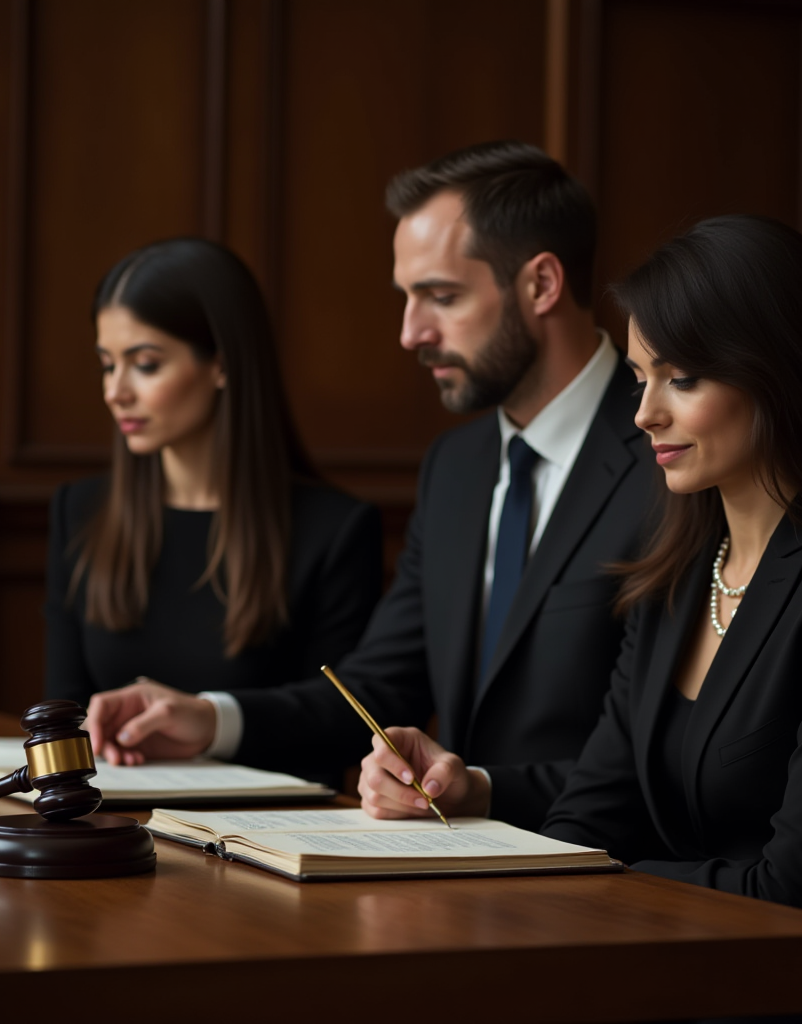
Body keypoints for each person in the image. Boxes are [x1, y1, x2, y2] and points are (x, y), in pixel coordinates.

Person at [84, 143, 657, 828]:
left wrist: (479, 789)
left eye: (441, 297)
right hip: (457, 868)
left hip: (613, 877)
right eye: (408, 297)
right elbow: (379, 688)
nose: (411, 333)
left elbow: (661, 753)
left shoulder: (671, 456)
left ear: (541, 285)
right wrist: (210, 719)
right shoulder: (456, 466)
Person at [532, 215, 802, 1016]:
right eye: (640, 378)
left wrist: (602, 885)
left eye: (681, 379)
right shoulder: (677, 572)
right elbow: (589, 816)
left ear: (777, 374)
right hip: (673, 973)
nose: (644, 414)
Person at [45, 238, 383, 763]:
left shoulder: (333, 529)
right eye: (107, 365)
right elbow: (62, 710)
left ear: (222, 365)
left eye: (146, 364)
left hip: (261, 834)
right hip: (108, 818)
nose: (116, 391)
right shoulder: (80, 511)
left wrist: (210, 719)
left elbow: (340, 723)